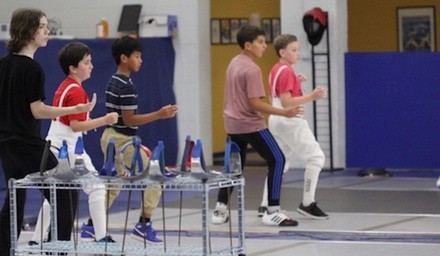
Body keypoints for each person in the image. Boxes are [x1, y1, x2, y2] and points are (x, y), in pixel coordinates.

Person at [0, 8, 95, 255]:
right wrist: (74, 108)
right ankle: (57, 249)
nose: (47, 30)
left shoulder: (3, 64)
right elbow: (38, 111)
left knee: (14, 199)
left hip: (6, 144)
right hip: (27, 144)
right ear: (29, 31)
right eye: (42, 26)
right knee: (65, 191)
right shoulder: (32, 69)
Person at [28, 42, 119, 246]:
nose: (91, 66)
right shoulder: (76, 91)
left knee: (54, 195)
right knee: (96, 188)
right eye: (86, 62)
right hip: (69, 149)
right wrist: (106, 120)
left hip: (55, 146)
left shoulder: (64, 87)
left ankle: (36, 239)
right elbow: (77, 126)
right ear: (73, 67)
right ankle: (102, 236)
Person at [211, 25, 303, 227]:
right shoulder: (252, 69)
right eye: (260, 42)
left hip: (232, 125)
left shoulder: (234, 62)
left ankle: (220, 208)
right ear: (248, 45)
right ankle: (272, 210)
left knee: (233, 167)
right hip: (250, 125)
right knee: (277, 159)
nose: (264, 46)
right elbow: (255, 103)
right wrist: (284, 112)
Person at [90, 35, 177, 243]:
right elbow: (129, 120)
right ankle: (143, 225)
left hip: (110, 137)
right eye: (137, 56)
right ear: (124, 58)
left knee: (114, 185)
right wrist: (159, 114)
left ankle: (92, 227)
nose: (141, 61)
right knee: (155, 177)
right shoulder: (126, 87)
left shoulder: (113, 80)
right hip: (122, 140)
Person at [258, 34, 329, 220]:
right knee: (316, 158)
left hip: (275, 119)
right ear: (282, 52)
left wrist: (296, 82)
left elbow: (278, 94)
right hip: (289, 120)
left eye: (298, 49)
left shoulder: (277, 69)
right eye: (294, 50)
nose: (298, 53)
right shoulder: (287, 71)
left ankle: (265, 204)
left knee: (280, 162)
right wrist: (312, 96)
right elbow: (287, 102)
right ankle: (307, 203)